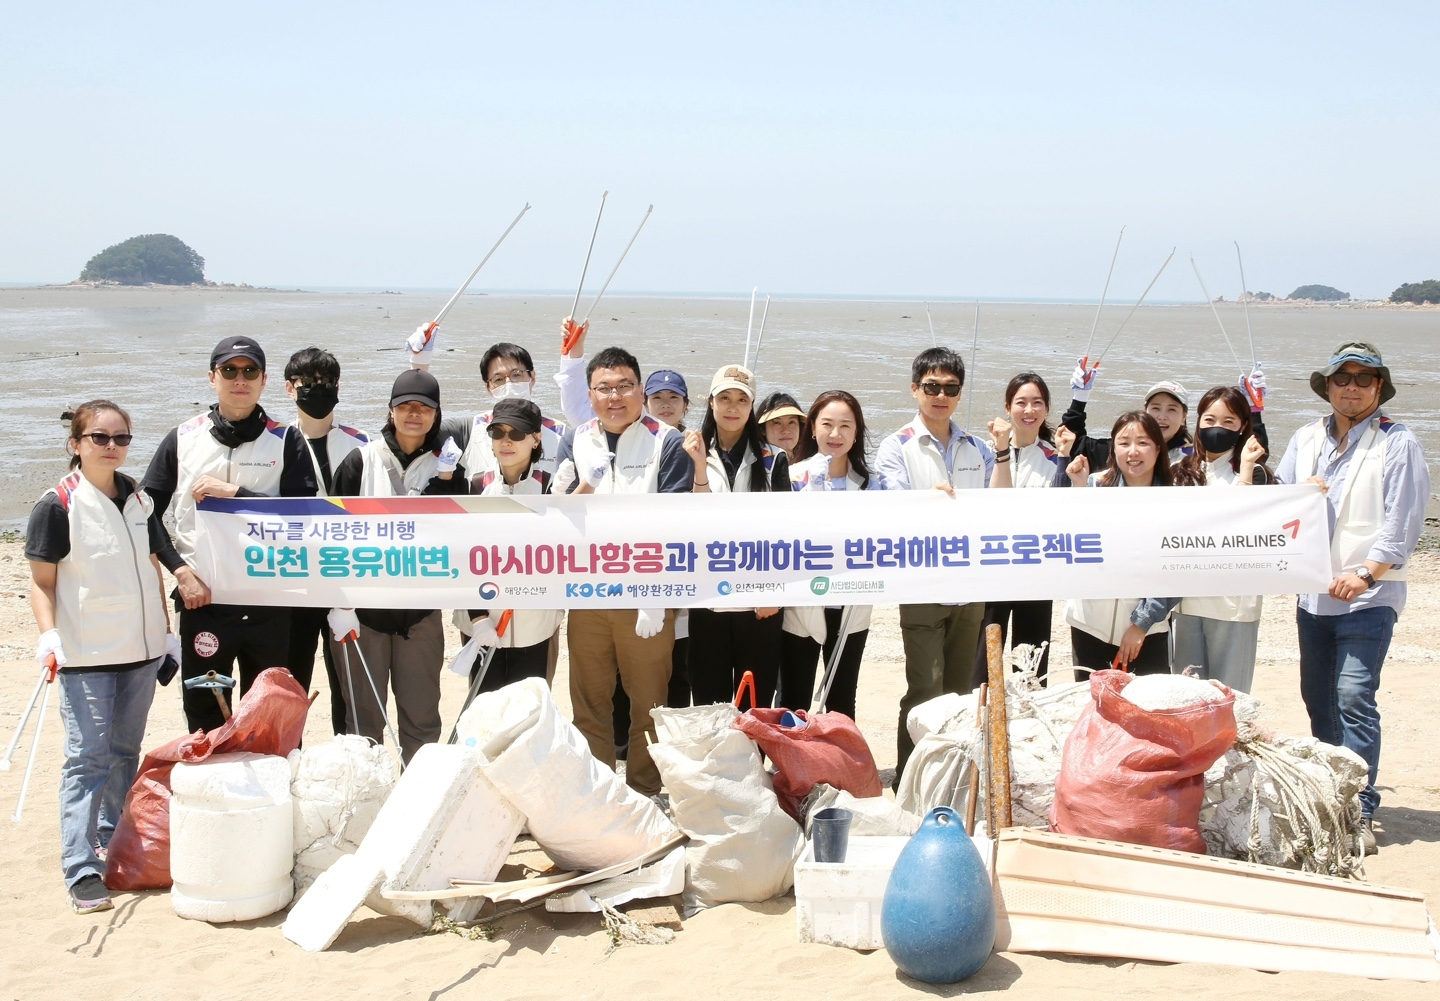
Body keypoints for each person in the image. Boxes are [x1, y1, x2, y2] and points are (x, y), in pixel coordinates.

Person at [1275, 342, 1429, 854]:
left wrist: (1365, 573)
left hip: (1371, 596)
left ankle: (1360, 809)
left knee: (1354, 697)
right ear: (1329, 385)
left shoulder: (1398, 442)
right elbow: (1275, 505)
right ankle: (1328, 797)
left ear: (1379, 388)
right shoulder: (1305, 438)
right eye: (1344, 377)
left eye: (1364, 379)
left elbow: (1404, 521)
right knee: (1318, 699)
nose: (1352, 387)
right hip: (1313, 597)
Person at [26, 401, 177, 914]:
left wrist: (167, 632)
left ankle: (109, 841)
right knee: (87, 758)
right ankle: (81, 869)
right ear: (76, 444)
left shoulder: (137, 497)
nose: (111, 447)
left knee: (124, 753)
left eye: (121, 438)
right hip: (87, 654)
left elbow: (151, 565)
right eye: (99, 438)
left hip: (141, 651)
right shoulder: (58, 504)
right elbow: (41, 582)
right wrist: (49, 637)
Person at [142, 336, 319, 733]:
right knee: (206, 717)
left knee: (268, 716)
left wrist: (238, 495)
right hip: (203, 601)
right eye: (230, 370)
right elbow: (144, 512)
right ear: (212, 377)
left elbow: (305, 519)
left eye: (250, 371)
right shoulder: (182, 438)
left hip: (269, 601)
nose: (240, 379)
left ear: (264, 380)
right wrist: (179, 571)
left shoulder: (287, 440)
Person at [553, 345, 694, 797]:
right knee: (589, 704)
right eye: (604, 388)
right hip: (588, 596)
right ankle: (597, 798)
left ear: (639, 389)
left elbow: (673, 524)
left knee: (649, 706)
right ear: (590, 394)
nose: (615, 397)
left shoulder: (665, 441)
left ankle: (645, 793)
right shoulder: (575, 439)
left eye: (625, 386)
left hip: (644, 599)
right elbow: (559, 516)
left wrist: (653, 593)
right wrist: (582, 484)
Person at [326, 370, 465, 763]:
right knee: (363, 723)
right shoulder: (361, 460)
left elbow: (458, 531)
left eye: (425, 408)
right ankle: (368, 802)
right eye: (405, 406)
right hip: (363, 614)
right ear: (391, 411)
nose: (414, 414)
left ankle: (418, 805)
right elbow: (332, 534)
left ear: (437, 415)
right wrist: (340, 604)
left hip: (420, 615)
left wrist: (448, 477)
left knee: (422, 719)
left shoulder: (449, 464)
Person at [874, 348, 994, 779]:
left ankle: (952, 775)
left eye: (950, 388)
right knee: (926, 687)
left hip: (969, 585)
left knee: (961, 691)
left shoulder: (979, 447)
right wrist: (929, 504)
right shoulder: (897, 446)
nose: (940, 396)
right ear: (914, 389)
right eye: (931, 387)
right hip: (921, 584)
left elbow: (995, 506)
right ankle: (912, 775)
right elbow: (893, 506)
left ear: (960, 393)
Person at [681, 365, 791, 709]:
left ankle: (751, 764)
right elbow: (690, 526)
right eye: (724, 398)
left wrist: (773, 592)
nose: (732, 407)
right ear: (710, 402)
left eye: (742, 399)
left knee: (754, 702)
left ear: (752, 406)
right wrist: (699, 467)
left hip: (758, 603)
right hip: (706, 597)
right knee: (708, 699)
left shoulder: (773, 460)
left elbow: (783, 533)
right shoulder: (689, 450)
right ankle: (713, 765)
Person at [282, 347, 368, 735]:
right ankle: (287, 761)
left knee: (349, 687)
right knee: (288, 685)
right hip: (294, 583)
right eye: (308, 384)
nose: (318, 391)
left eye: (327, 383)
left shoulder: (362, 444)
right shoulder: (274, 443)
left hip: (347, 581)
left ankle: (349, 759)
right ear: (289, 388)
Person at [1164, 385, 1273, 691]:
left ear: (1243, 428)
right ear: (1197, 423)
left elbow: (1245, 528)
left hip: (1233, 604)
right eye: (1209, 420)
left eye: (1228, 422)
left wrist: (1248, 469)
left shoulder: (1258, 475)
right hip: (1185, 602)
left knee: (1229, 696)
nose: (1217, 428)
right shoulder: (1179, 472)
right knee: (1186, 694)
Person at [780, 390, 880, 722]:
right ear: (812, 428)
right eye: (827, 424)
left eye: (845, 426)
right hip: (802, 601)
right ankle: (792, 768)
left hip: (850, 603)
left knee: (841, 695)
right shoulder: (790, 477)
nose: (835, 435)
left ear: (856, 433)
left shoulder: (873, 485)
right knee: (795, 692)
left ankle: (839, 769)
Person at [1062, 411, 1175, 675]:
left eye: (1143, 443)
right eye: (1124, 443)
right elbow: (1071, 544)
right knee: (1094, 708)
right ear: (1113, 448)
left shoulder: (1174, 498)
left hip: (1147, 632)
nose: (1133, 452)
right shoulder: (1093, 485)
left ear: (1158, 448)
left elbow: (1175, 569)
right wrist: (1078, 491)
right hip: (1089, 625)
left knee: (1146, 711)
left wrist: (1141, 624)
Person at [467, 399, 564, 693]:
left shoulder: (553, 486)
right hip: (481, 626)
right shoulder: (473, 486)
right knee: (484, 715)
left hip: (536, 628)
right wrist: (478, 617)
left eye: (517, 434)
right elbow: (462, 558)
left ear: (536, 439)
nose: (506, 442)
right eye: (498, 433)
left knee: (530, 714)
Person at [979, 372, 1065, 686]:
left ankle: (1028, 729)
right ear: (1007, 407)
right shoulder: (983, 452)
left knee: (1030, 669)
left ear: (1046, 408)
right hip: (992, 568)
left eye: (1037, 403)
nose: (1029, 410)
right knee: (982, 666)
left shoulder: (1056, 457)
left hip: (1036, 573)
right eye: (1021, 403)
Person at [1054, 365, 1196, 483]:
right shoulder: (1120, 451)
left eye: (1172, 409)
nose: (1161, 416)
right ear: (1145, 411)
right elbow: (1071, 442)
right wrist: (1079, 398)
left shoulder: (1192, 459)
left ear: (1184, 415)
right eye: (1155, 408)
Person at [757, 392, 807, 463]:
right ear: (762, 429)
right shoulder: (753, 465)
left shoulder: (812, 464)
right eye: (777, 423)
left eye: (791, 422)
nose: (786, 430)